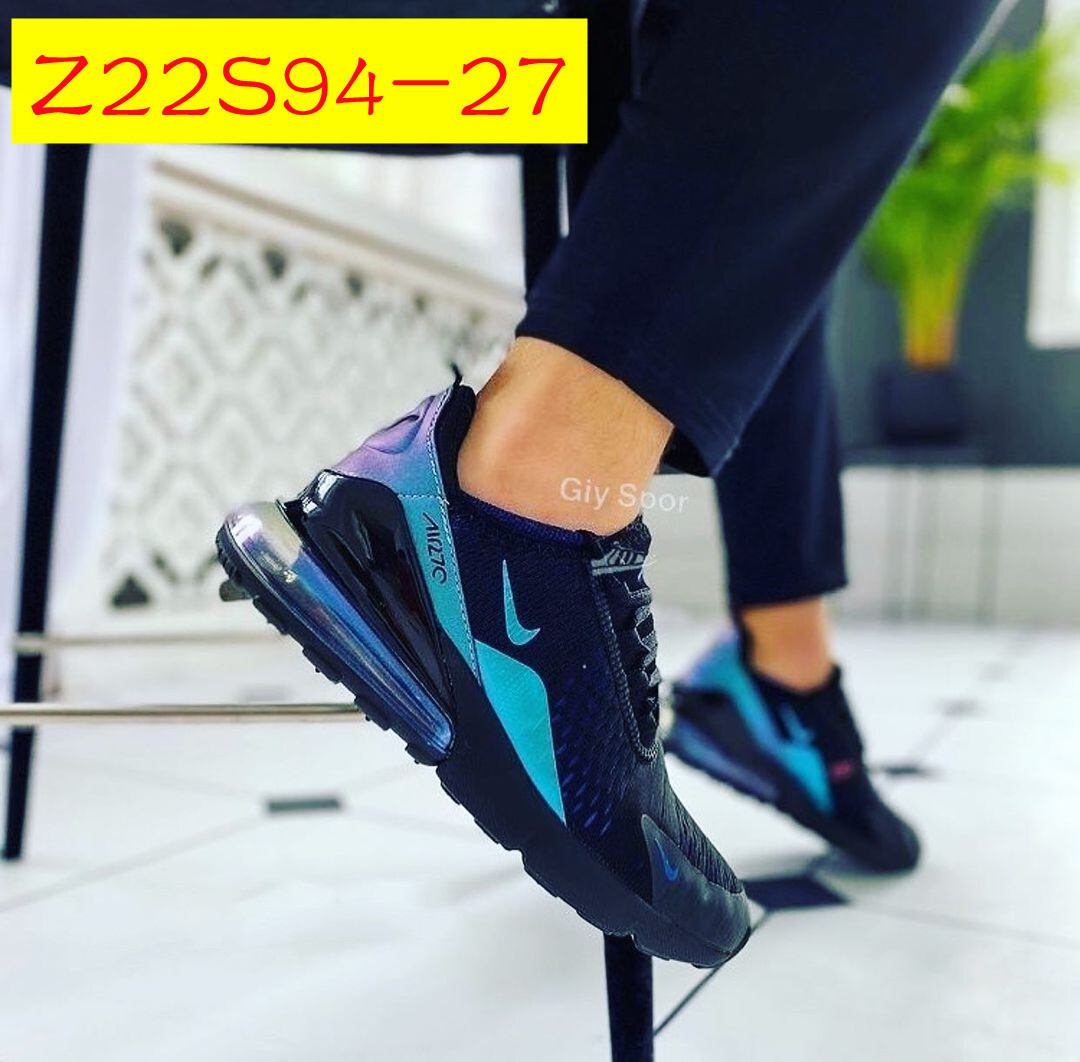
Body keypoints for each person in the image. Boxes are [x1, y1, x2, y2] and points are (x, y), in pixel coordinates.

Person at [219, 0, 995, 967]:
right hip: (126, 54)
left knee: (762, 117)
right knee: (772, 74)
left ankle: (778, 657)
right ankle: (525, 500)